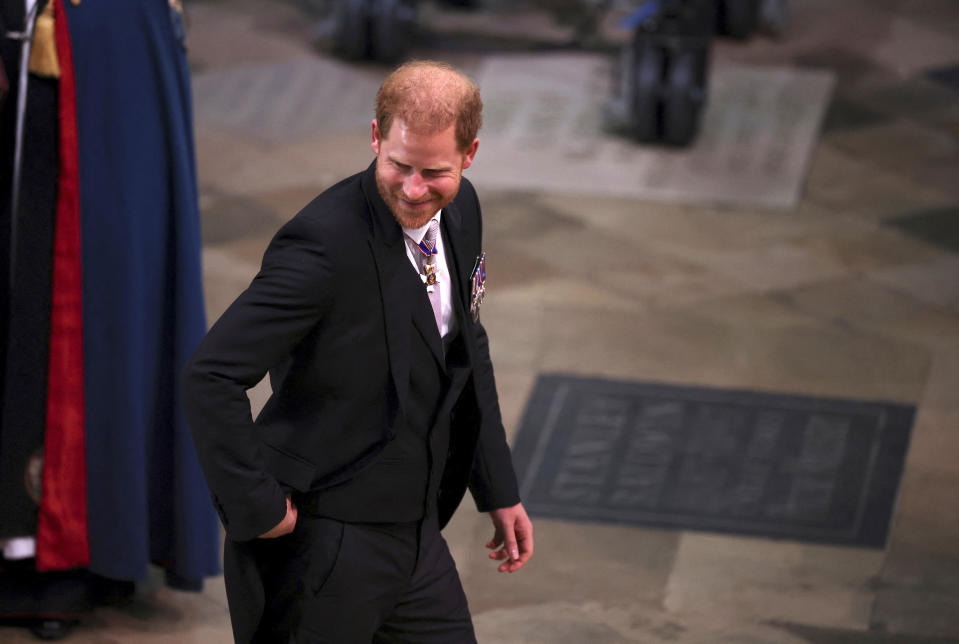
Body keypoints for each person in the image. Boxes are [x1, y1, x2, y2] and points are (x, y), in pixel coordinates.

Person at [182, 60, 533, 643]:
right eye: (398, 165)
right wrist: (257, 507)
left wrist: (498, 487)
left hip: (418, 537)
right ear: (375, 137)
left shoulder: (462, 209)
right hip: (325, 545)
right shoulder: (321, 246)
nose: (414, 189)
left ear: (469, 155)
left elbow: (467, 349)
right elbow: (210, 375)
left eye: (434, 172)